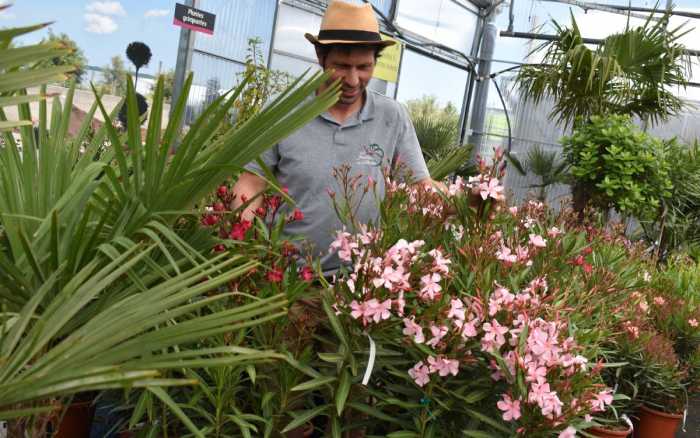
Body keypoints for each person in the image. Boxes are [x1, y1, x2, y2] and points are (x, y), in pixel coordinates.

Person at [233, 0, 442, 276]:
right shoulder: (282, 112)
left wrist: (467, 201)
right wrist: (242, 252)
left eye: (364, 67)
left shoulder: (392, 117)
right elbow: (251, 183)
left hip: (362, 281)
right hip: (287, 276)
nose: (353, 80)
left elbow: (420, 187)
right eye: (341, 66)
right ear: (321, 57)